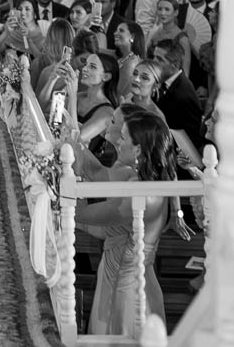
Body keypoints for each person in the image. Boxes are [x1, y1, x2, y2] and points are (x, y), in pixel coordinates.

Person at [77, 112, 177, 337]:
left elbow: (80, 213)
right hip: (114, 276)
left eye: (123, 138)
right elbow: (98, 174)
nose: (118, 143)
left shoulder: (141, 196)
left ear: (138, 150)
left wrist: (70, 175)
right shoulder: (137, 180)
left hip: (129, 293)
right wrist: (74, 143)